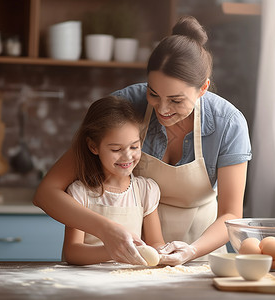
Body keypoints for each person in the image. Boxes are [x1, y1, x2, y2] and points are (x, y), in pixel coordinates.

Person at [33, 15, 251, 266]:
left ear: (203, 88)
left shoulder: (228, 124)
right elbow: (46, 193)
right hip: (125, 261)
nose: (163, 109)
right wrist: (106, 231)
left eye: (176, 100)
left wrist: (191, 251)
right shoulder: (125, 108)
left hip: (200, 255)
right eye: (153, 93)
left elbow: (231, 214)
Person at [61, 96, 165, 265]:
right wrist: (113, 250)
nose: (127, 156)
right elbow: (73, 252)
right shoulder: (80, 193)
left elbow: (156, 243)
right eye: (116, 149)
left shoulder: (145, 191)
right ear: (94, 147)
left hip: (129, 282)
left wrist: (163, 251)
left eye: (134, 146)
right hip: (87, 283)